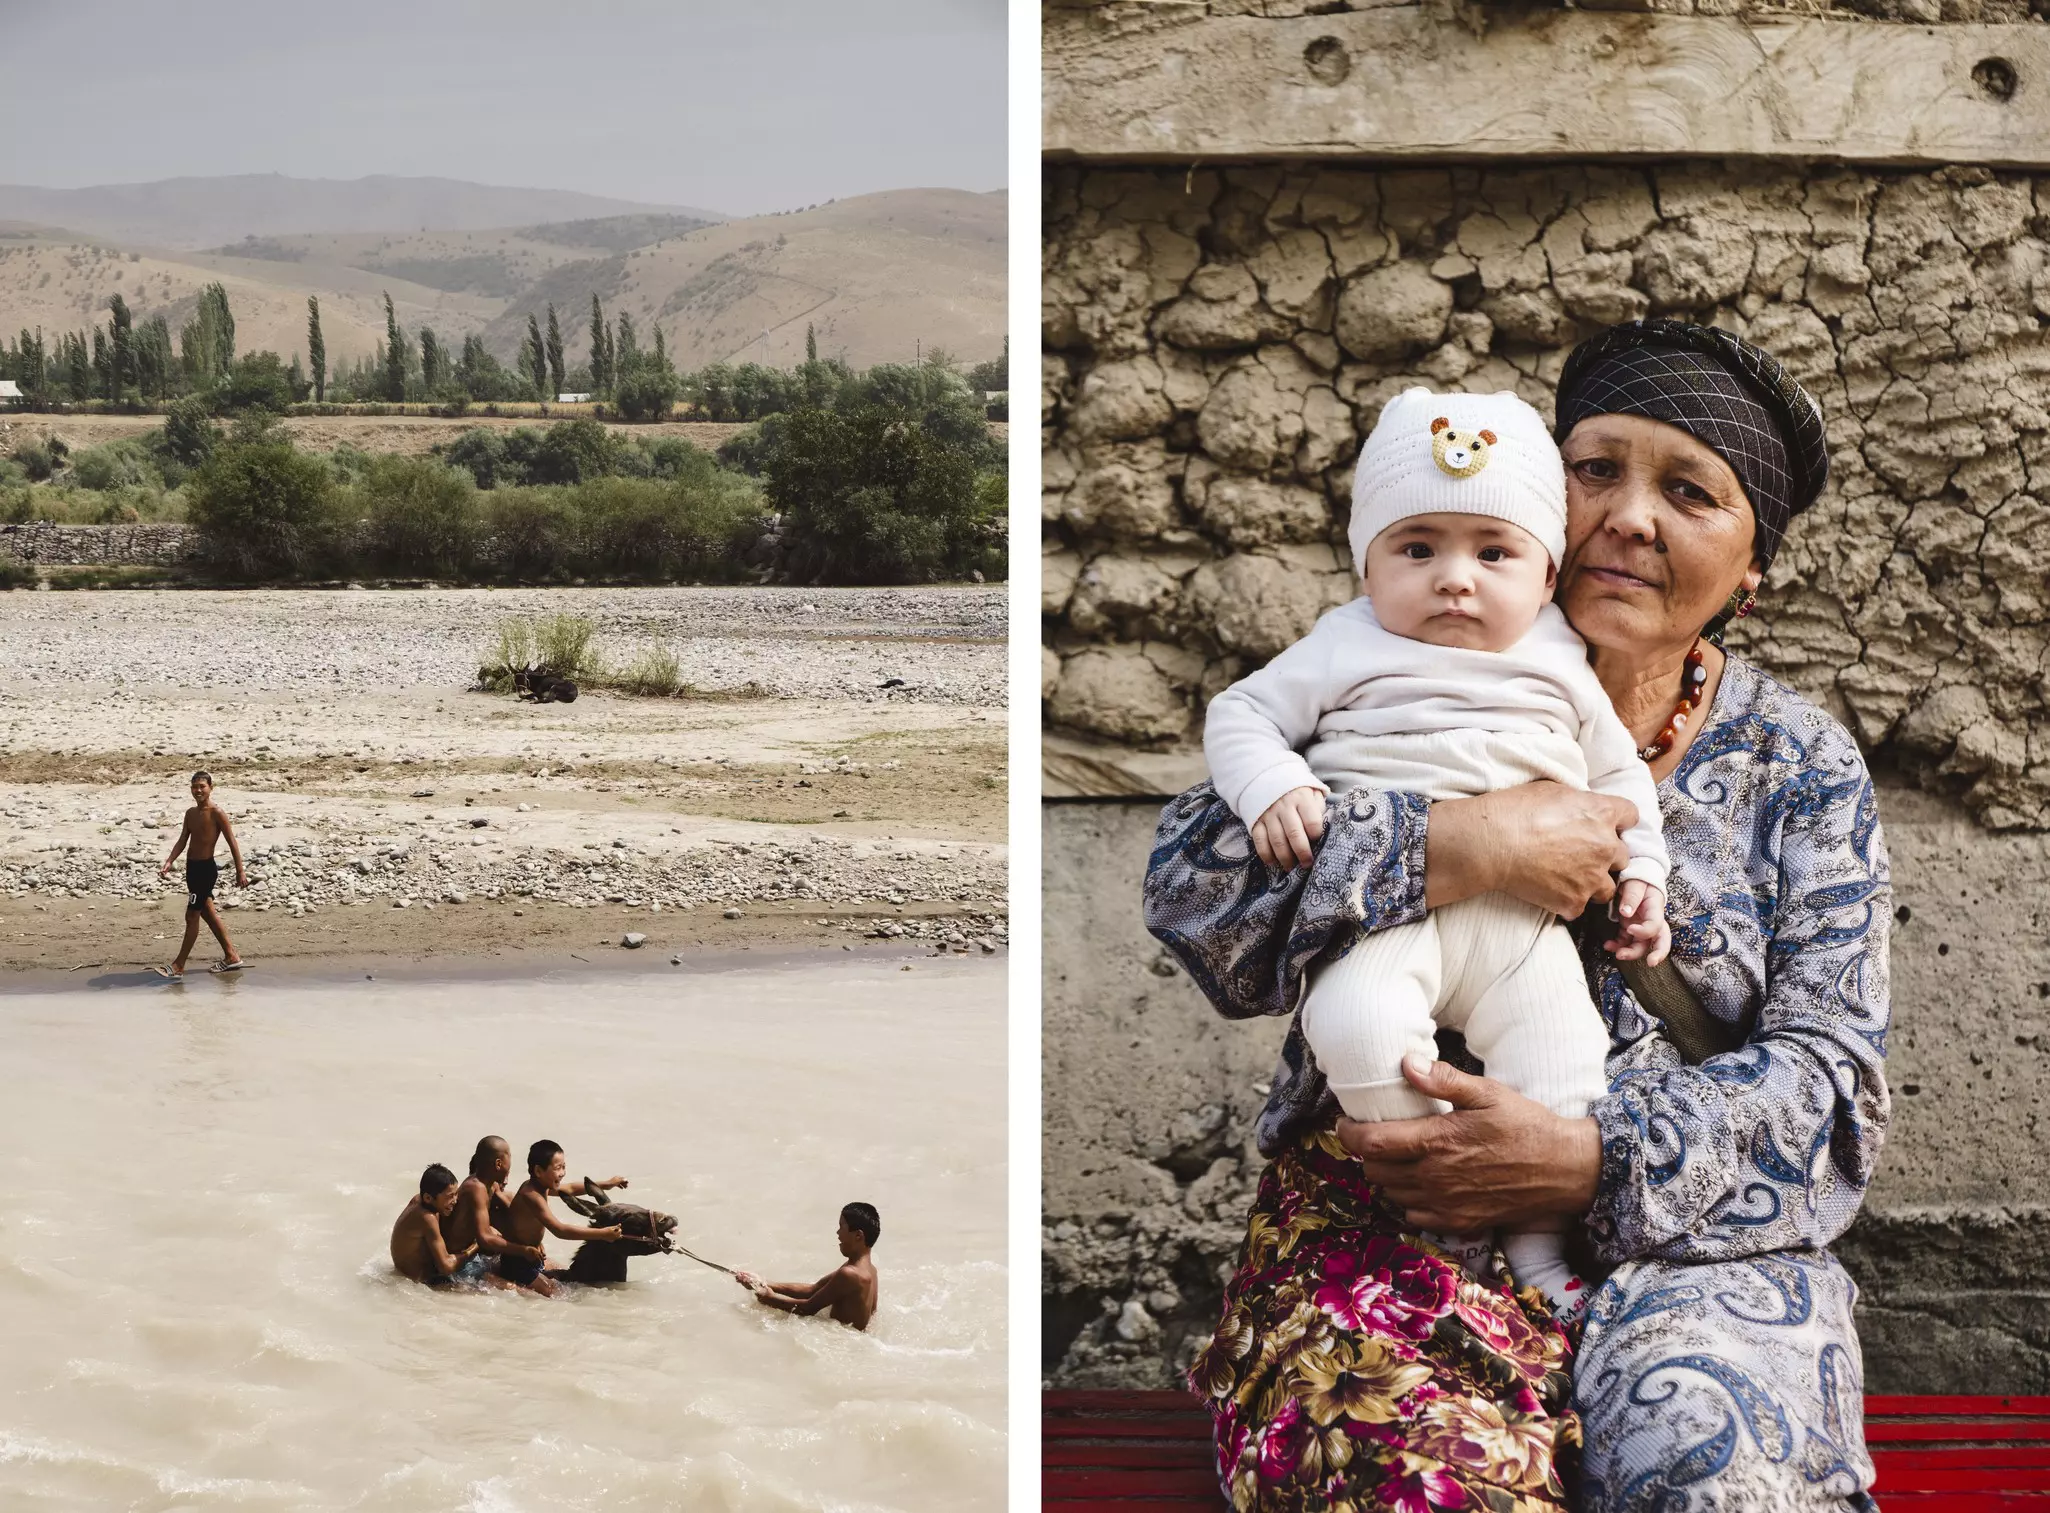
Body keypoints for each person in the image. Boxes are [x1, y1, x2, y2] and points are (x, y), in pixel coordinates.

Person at [1147, 318, 1890, 1511]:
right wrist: (1460, 844)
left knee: (1711, 1471)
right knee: (1406, 1480)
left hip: (1692, 1257)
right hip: (1394, 1212)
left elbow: (1835, 1089)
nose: (1628, 517)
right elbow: (1191, 889)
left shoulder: (1798, 766)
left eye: (1689, 491)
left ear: (1751, 569)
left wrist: (1586, 1160)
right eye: (1595, 469)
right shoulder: (1383, 661)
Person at [1203, 386, 1669, 1322]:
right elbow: (1240, 712)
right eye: (1416, 549)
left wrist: (1644, 874)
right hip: (1388, 922)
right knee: (1357, 1027)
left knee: (1566, 1058)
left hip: (1520, 934)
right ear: (1366, 563)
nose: (1456, 579)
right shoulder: (1344, 643)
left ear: (1546, 572)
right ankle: (1439, 1228)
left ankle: (1538, 1253)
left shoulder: (1559, 657)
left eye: (1494, 553)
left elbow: (1622, 776)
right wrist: (1274, 786)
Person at [497, 1139, 624, 1296]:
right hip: (517, 1262)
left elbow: (570, 1188)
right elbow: (560, 1230)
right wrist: (603, 1234)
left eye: (564, 1167)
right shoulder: (531, 1195)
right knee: (556, 1295)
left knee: (566, 1280)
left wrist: (606, 1184)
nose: (563, 1172)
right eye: (558, 1168)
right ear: (538, 1171)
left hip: (532, 1257)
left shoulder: (541, 1185)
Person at [153, 770, 247, 981]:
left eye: (202, 786)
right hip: (192, 869)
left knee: (192, 915)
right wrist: (169, 861)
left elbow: (232, 842)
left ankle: (178, 965)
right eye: (195, 787)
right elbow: (183, 839)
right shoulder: (190, 813)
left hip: (205, 870)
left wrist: (240, 871)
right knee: (207, 912)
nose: (198, 790)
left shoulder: (217, 813)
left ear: (211, 788)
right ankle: (232, 956)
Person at [734, 1202, 880, 1331]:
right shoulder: (870, 1270)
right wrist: (762, 1282)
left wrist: (767, 1297)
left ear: (858, 1236)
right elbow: (813, 1290)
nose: (837, 1232)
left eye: (842, 1226)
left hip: (841, 1345)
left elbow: (807, 1308)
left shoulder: (850, 1274)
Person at [444, 1136, 540, 1288]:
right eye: (510, 1157)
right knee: (515, 1290)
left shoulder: (491, 1185)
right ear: (498, 1164)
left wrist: (535, 1241)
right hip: (460, 1265)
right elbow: (484, 1238)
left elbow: (513, 1214)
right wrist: (523, 1250)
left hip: (475, 1256)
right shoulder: (476, 1188)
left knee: (540, 1276)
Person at [389, 1164, 476, 1287]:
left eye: (456, 1194)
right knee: (483, 1288)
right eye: (450, 1196)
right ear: (428, 1198)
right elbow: (446, 1266)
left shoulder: (421, 1200)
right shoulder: (426, 1218)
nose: (455, 1200)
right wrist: (475, 1247)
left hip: (420, 1273)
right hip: (420, 1282)